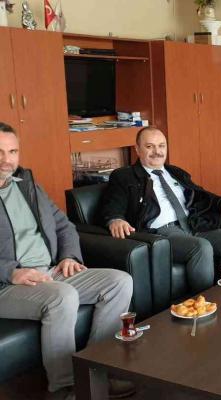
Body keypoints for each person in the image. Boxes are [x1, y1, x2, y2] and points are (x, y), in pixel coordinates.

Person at [0, 122, 133, 400]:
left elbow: (64, 225)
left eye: (12, 152)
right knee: (62, 296)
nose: (7, 160)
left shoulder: (27, 185)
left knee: (119, 282)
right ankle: (66, 387)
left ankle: (96, 370)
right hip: (8, 284)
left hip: (49, 272)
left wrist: (68, 256)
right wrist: (11, 272)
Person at [100, 127, 221, 294]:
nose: (157, 151)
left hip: (192, 225)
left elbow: (201, 194)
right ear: (137, 149)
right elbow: (112, 204)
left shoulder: (175, 172)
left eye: (161, 146)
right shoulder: (124, 176)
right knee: (200, 247)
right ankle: (205, 303)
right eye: (149, 146)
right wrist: (115, 219)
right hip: (160, 234)